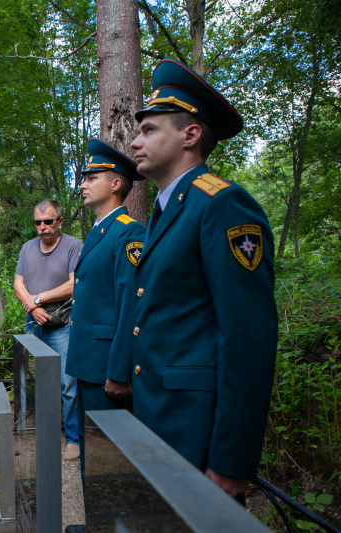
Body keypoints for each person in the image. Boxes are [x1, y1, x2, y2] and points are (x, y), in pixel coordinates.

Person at [126, 58, 277, 499]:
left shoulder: (223, 206)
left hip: (195, 424)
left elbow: (247, 337)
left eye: (149, 130)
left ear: (190, 135)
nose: (135, 142)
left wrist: (231, 460)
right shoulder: (166, 210)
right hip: (158, 410)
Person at [65, 140, 145, 485]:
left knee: (113, 461)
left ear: (115, 184)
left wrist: (121, 370)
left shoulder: (129, 232)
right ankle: (93, 515)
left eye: (91, 177)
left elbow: (132, 305)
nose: (82, 183)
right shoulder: (99, 231)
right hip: (88, 360)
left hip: (107, 366)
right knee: (92, 453)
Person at [14, 199, 83, 461]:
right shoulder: (27, 248)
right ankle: (46, 434)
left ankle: (73, 439)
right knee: (40, 383)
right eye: (37, 222)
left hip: (62, 324)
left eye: (48, 222)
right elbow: (18, 282)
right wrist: (32, 308)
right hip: (34, 322)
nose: (42, 227)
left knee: (68, 384)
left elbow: (74, 284)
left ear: (60, 221)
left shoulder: (74, 246)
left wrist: (39, 299)